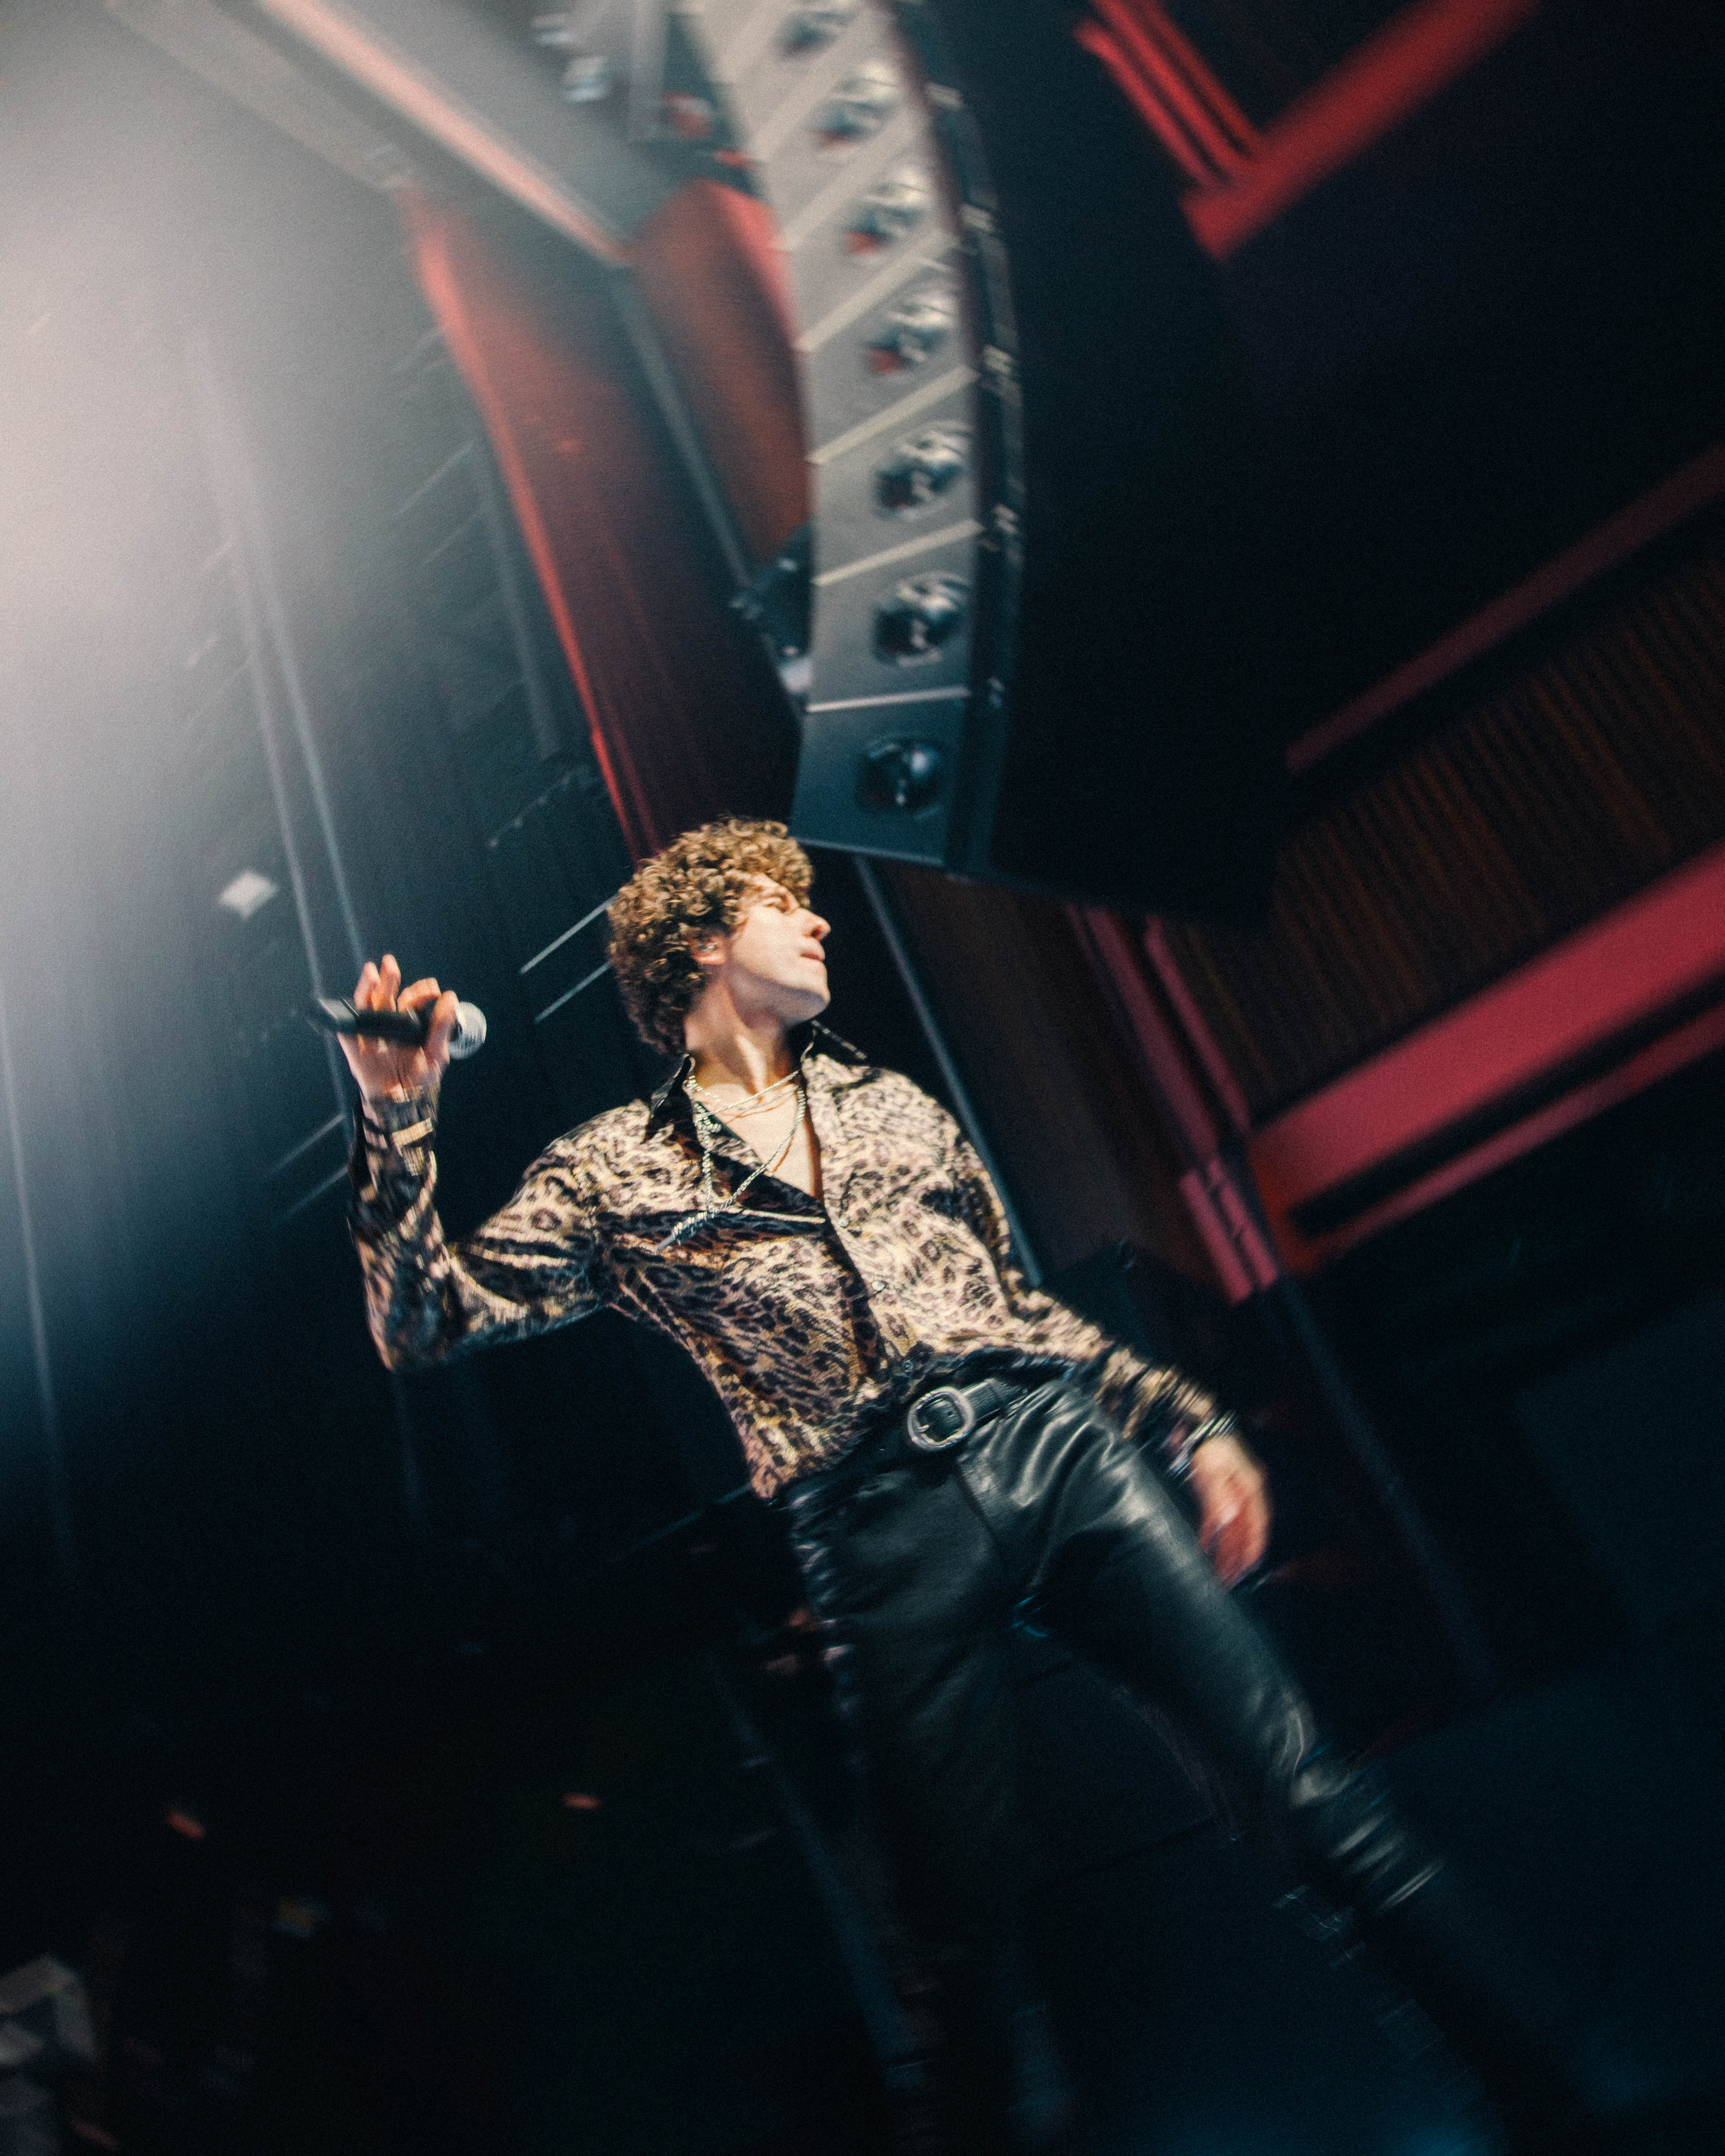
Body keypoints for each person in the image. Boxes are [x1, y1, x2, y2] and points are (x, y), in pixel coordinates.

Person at [343, 819, 1576, 2154]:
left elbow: (1018, 1307)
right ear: (700, 944)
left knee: (1313, 1802)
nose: (818, 921)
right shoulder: (609, 1169)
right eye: (780, 904)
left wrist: (1189, 1420)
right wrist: (396, 1120)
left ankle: (1556, 2117)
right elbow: (423, 1321)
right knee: (957, 1957)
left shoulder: (895, 1106)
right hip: (876, 1530)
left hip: (1057, 1449)